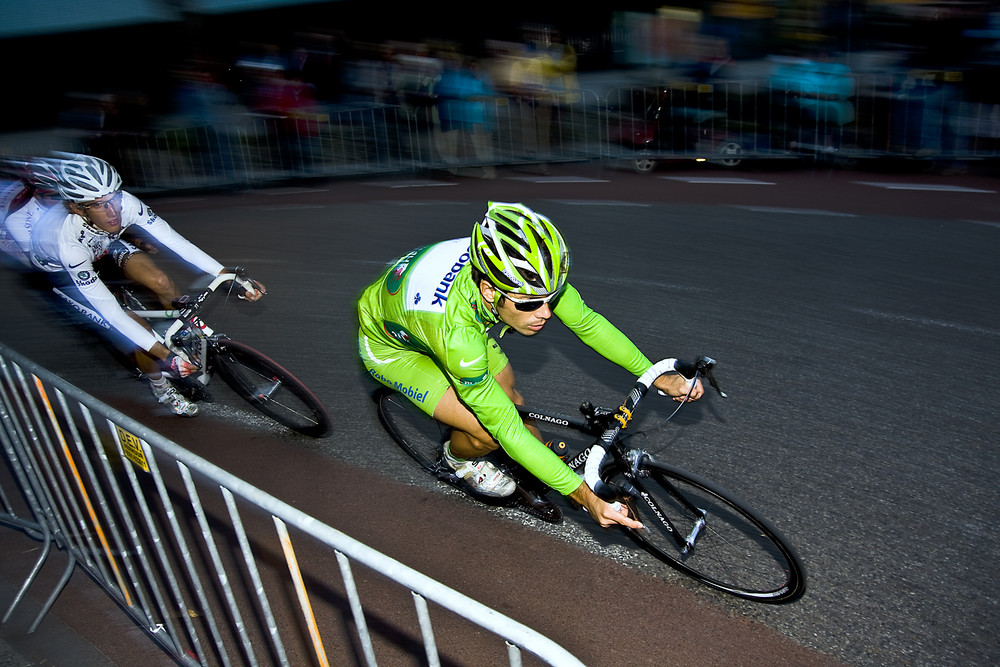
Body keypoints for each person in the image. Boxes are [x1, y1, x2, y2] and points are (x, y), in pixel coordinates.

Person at [357, 202, 703, 529]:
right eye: (531, 305)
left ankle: (535, 460)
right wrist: (583, 495)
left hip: (439, 316)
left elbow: (586, 322)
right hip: (394, 348)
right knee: (489, 430)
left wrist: (660, 378)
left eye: (551, 299)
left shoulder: (523, 270)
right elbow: (505, 427)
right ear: (491, 291)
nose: (546, 313)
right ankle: (458, 460)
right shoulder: (459, 336)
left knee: (512, 398)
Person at [1, 153, 266, 416]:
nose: (113, 210)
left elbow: (175, 242)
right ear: (74, 205)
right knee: (134, 329)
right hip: (64, 269)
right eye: (99, 204)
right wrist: (164, 354)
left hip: (102, 242)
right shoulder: (54, 237)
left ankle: (184, 333)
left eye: (113, 199)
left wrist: (227, 275)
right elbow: (112, 313)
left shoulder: (122, 202)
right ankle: (161, 387)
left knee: (160, 281)